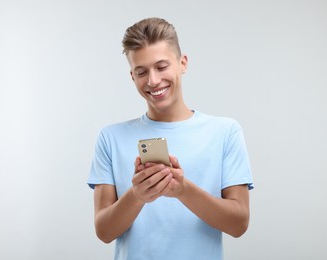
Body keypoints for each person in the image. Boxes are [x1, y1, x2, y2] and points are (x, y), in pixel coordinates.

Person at [88, 17, 254, 260]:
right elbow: (104, 231)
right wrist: (137, 195)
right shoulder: (110, 137)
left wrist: (182, 190)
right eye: (141, 71)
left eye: (161, 66)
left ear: (182, 63)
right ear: (132, 76)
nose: (153, 80)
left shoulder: (225, 131)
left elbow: (238, 224)